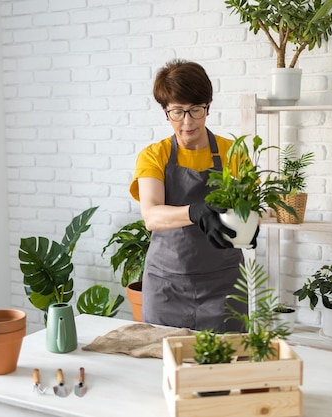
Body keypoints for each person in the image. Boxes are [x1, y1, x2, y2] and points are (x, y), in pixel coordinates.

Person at [129, 59, 255, 332]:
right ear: (165, 112)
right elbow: (151, 215)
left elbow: (249, 206)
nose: (187, 122)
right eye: (177, 112)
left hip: (224, 284)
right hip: (166, 285)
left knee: (227, 365)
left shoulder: (233, 152)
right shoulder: (155, 155)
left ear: (208, 107)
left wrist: (251, 224)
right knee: (165, 364)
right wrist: (194, 211)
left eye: (195, 110)